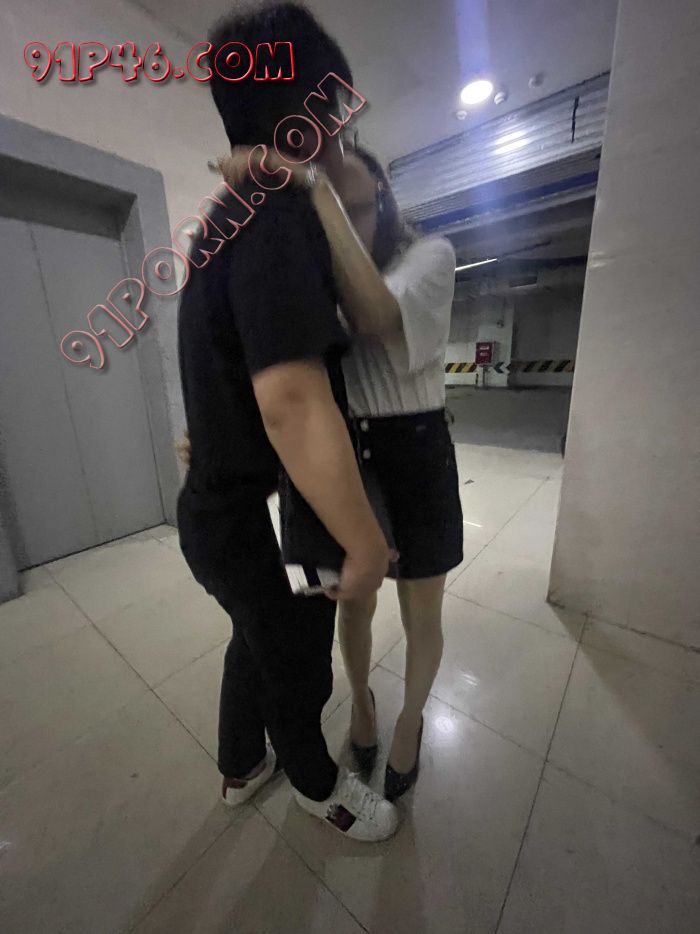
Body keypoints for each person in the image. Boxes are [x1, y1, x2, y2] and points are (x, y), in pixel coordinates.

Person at [177, 2, 398, 842]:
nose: (342, 139)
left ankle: (242, 766)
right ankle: (319, 787)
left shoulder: (224, 218)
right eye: (337, 118)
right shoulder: (275, 217)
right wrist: (365, 542)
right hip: (249, 518)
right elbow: (292, 402)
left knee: (256, 638)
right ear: (309, 120)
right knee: (295, 661)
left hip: (220, 511)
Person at [209, 140, 463, 802]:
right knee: (350, 602)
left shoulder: (429, 256)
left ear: (384, 199)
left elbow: (376, 316)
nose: (350, 224)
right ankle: (364, 704)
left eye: (360, 207)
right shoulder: (313, 277)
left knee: (422, 609)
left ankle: (409, 722)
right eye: (336, 209)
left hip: (417, 447)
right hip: (347, 450)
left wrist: (317, 189)